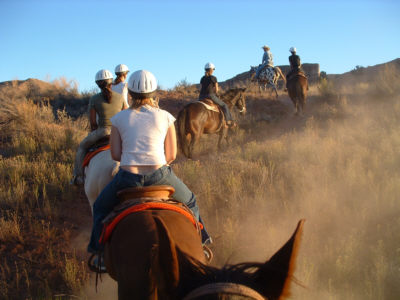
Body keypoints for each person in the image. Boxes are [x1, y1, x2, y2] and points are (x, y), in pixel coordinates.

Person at [87, 70, 211, 264]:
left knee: (101, 206)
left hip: (128, 177)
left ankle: (98, 253)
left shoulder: (119, 119)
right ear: (154, 92)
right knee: (191, 201)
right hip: (160, 175)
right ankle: (202, 245)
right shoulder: (166, 117)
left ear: (131, 94)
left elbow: (115, 155)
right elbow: (171, 155)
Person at [70, 69, 126, 185]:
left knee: (82, 147)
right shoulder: (120, 98)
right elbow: (126, 115)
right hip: (119, 132)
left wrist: (94, 131)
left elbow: (93, 123)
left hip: (103, 131)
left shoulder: (94, 99)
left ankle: (79, 177)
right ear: (111, 82)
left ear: (98, 84)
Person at [199, 62, 234, 126]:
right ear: (211, 70)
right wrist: (216, 93)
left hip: (201, 97)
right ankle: (228, 121)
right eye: (213, 70)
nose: (213, 71)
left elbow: (200, 88)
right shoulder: (213, 78)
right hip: (210, 95)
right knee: (224, 105)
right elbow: (217, 89)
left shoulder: (202, 78)